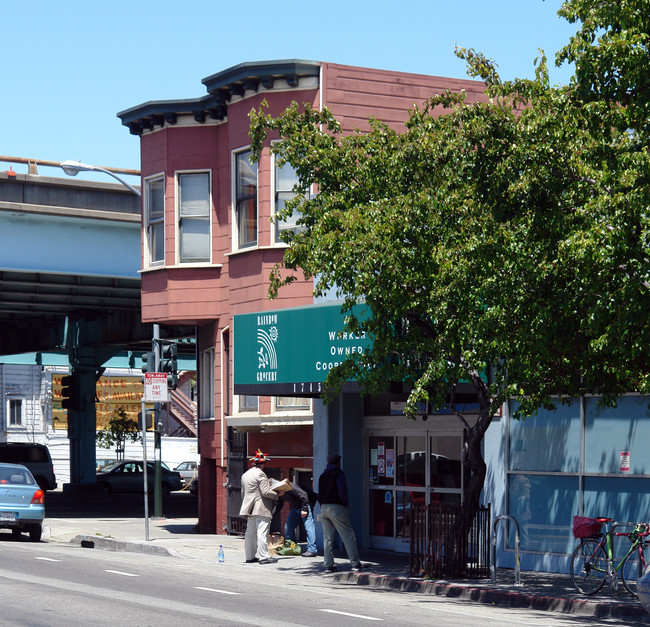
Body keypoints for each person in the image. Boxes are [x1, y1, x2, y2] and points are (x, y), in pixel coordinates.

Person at [318, 454, 366, 572]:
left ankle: (328, 565)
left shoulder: (323, 475)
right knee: (348, 535)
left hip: (324, 507)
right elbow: (342, 491)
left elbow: (320, 492)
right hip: (337, 507)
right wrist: (345, 502)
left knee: (327, 538)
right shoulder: (339, 473)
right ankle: (355, 563)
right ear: (338, 462)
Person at [239, 449, 278, 564]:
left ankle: (250, 556)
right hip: (260, 508)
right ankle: (263, 556)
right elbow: (265, 492)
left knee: (250, 533)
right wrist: (277, 494)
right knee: (262, 532)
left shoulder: (245, 475)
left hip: (249, 508)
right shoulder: (261, 474)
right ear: (263, 464)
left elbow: (243, 492)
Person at [283, 470, 318, 557]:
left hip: (305, 504)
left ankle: (312, 550)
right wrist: (272, 516)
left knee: (308, 526)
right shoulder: (278, 493)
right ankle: (293, 547)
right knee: (288, 527)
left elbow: (304, 495)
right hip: (295, 507)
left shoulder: (290, 486)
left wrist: (305, 509)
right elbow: (279, 505)